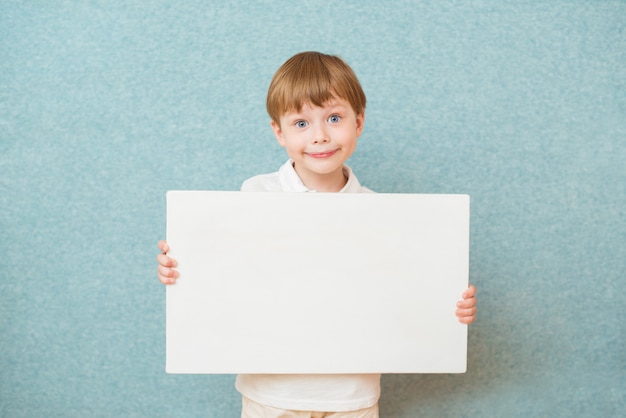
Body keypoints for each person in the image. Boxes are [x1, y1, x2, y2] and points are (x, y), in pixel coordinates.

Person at [157, 51, 477, 418]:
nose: (320, 135)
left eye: (334, 118)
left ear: (359, 122)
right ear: (279, 131)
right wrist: (180, 270)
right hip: (270, 395)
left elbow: (406, 298)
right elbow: (224, 281)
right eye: (301, 123)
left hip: (352, 397)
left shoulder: (383, 215)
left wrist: (449, 309)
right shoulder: (254, 196)